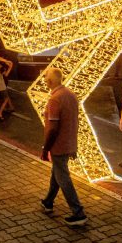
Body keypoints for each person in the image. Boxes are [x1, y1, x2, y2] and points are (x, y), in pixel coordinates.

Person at [40, 67, 87, 226]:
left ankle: (78, 212)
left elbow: (53, 127)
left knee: (63, 176)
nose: (44, 80)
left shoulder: (55, 99)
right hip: (69, 141)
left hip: (59, 144)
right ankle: (48, 201)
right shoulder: (70, 94)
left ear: (50, 81)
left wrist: (46, 148)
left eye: (46, 78)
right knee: (57, 172)